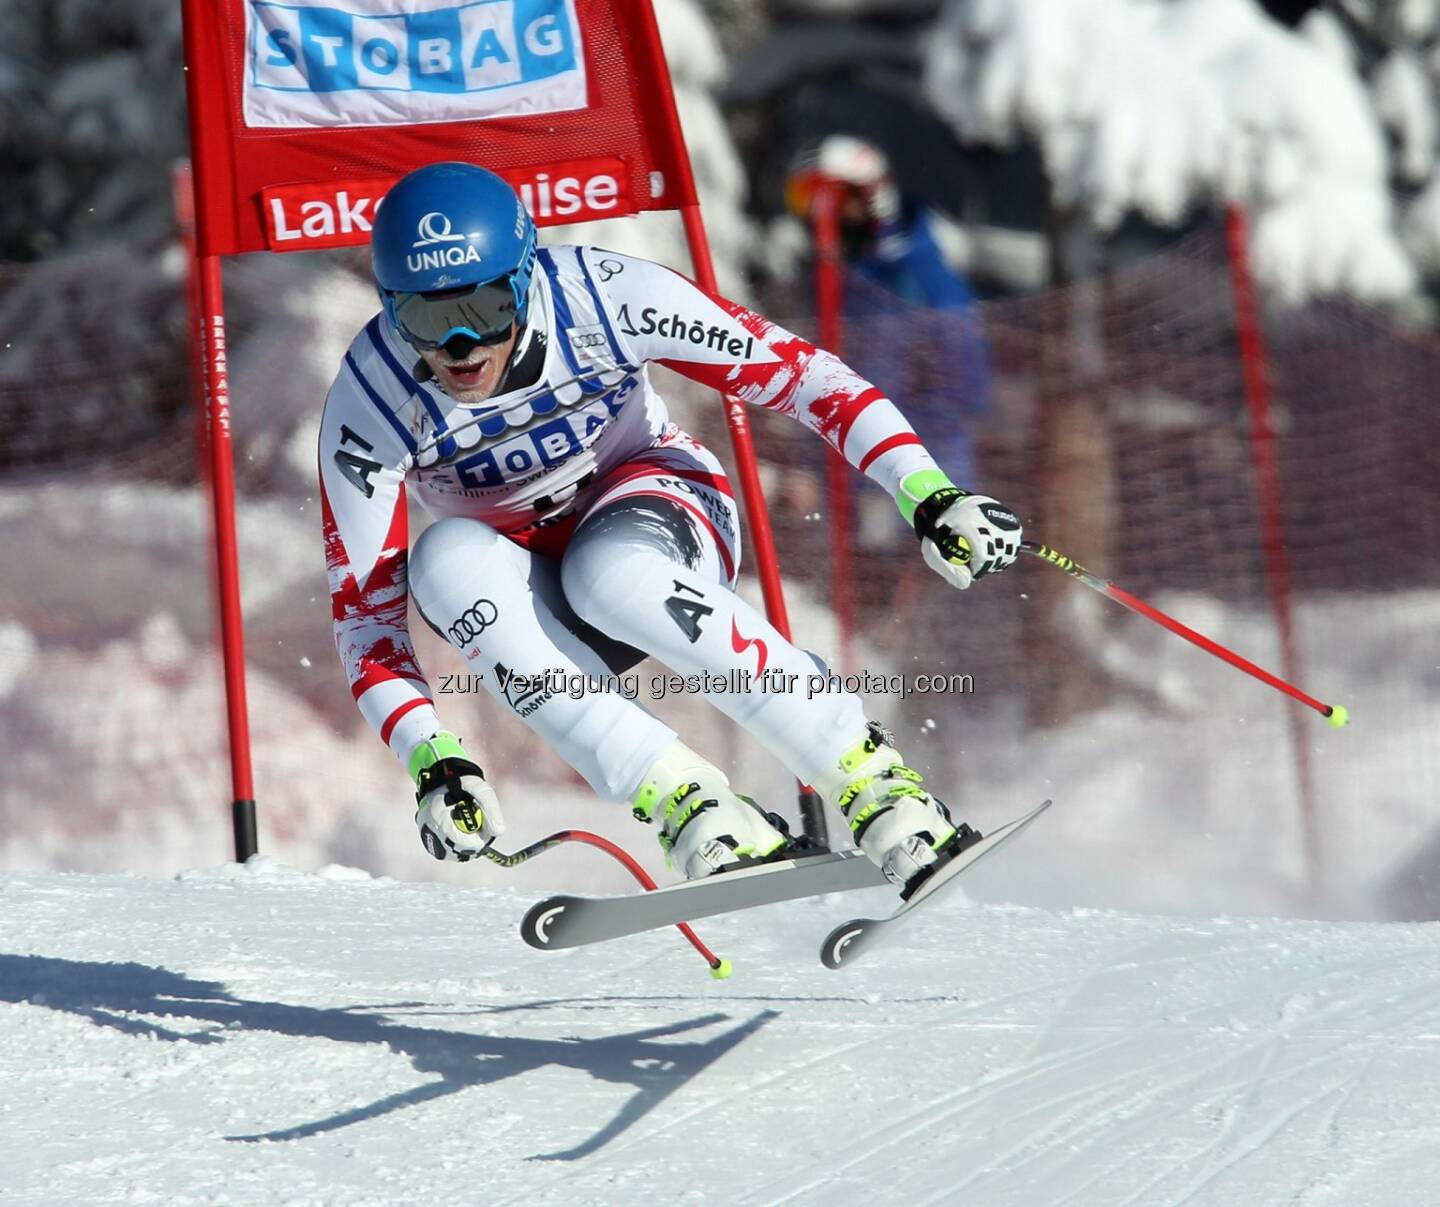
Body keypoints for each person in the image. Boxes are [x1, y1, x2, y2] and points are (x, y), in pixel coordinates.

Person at [319, 161, 1023, 891]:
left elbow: (804, 374)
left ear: (526, 278)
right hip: (531, 590)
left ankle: (875, 783)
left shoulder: (603, 297)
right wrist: (431, 755)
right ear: (389, 308)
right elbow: (364, 619)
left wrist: (927, 492)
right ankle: (689, 801)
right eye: (427, 320)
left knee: (609, 574)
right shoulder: (369, 400)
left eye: (487, 308)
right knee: (442, 562)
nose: (462, 347)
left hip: (657, 510)